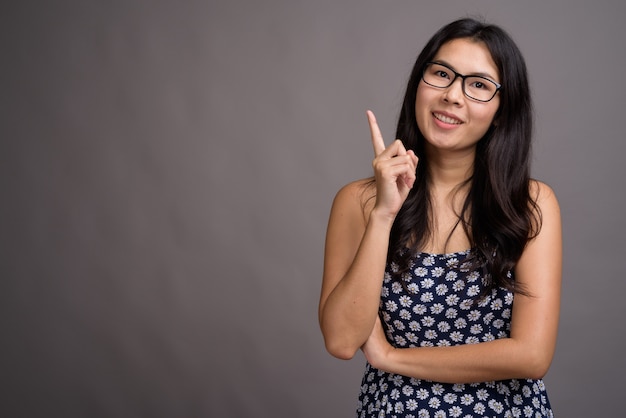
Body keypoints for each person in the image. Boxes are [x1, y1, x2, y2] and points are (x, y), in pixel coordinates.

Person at [318, 18, 562, 418]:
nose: (452, 95)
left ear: (502, 111)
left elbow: (531, 356)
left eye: (479, 85)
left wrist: (391, 357)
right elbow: (342, 341)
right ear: (420, 83)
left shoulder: (531, 203)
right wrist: (384, 214)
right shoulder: (358, 202)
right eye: (442, 74)